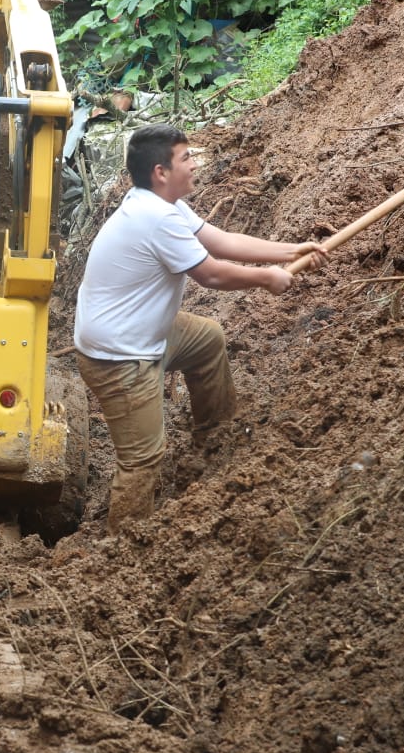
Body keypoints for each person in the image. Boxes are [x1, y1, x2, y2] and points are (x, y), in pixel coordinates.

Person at [73, 123, 330, 534]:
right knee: (143, 459)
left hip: (141, 332)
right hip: (120, 357)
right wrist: (267, 278)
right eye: (186, 157)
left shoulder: (163, 204)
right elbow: (210, 274)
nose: (195, 164)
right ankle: (123, 546)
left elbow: (222, 241)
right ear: (161, 172)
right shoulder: (154, 217)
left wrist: (290, 251)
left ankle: (216, 439)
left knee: (207, 339)